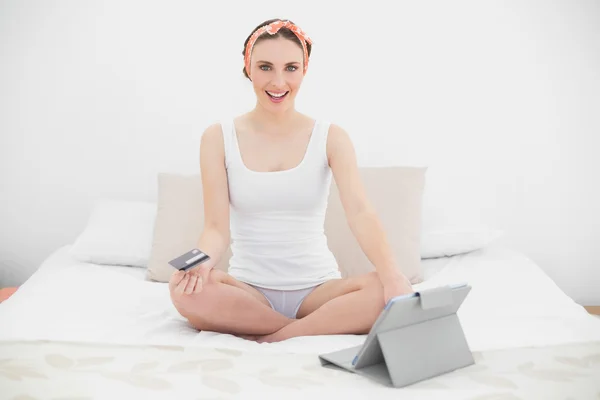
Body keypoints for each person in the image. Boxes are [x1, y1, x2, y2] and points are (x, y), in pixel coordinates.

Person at [168, 18, 414, 343]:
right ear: (248, 69)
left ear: (304, 70)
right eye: (266, 67)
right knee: (181, 289)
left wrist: (394, 275)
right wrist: (198, 265)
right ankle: (299, 330)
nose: (278, 81)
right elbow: (215, 229)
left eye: (291, 68)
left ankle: (274, 334)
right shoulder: (217, 137)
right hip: (249, 291)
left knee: (387, 288)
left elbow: (360, 213)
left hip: (318, 290)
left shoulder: (331, 137)